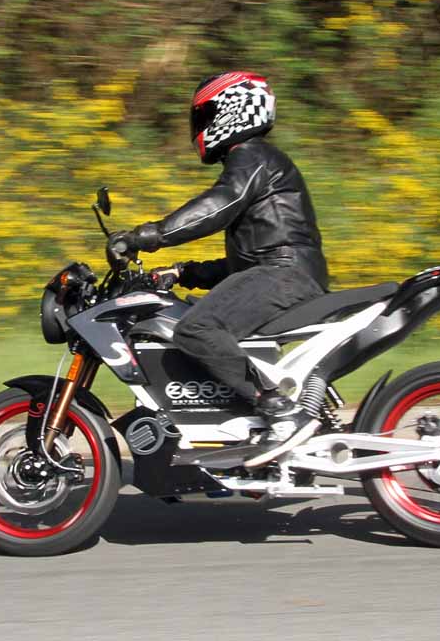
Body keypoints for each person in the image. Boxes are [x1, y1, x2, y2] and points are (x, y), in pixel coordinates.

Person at [109, 71, 329, 465]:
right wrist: (183, 273)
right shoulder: (257, 160)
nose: (200, 126)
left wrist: (149, 235)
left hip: (285, 276)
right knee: (199, 320)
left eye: (206, 115)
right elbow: (246, 260)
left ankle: (279, 410)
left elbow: (220, 204)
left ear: (233, 110)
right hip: (281, 273)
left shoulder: (252, 156)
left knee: (196, 328)